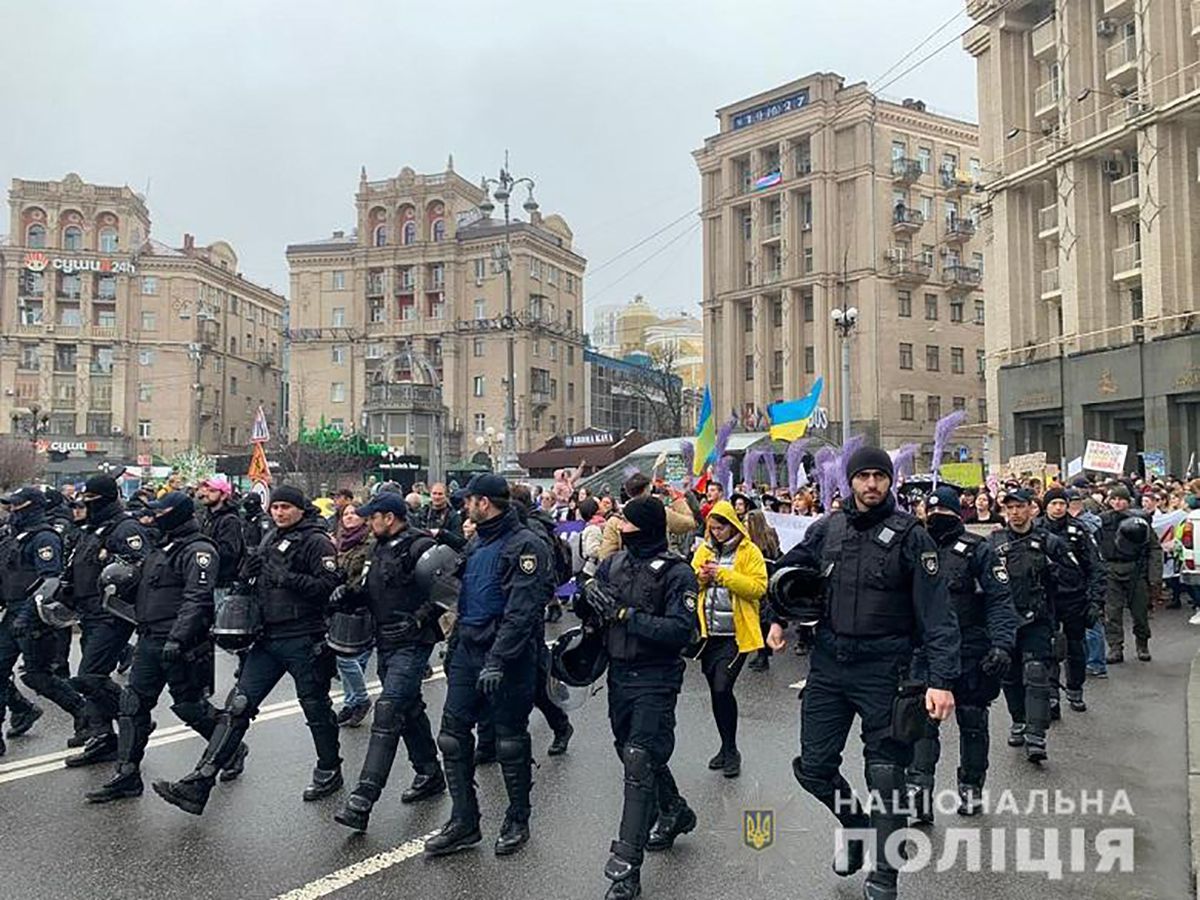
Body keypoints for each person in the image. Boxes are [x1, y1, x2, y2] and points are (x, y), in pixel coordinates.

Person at [770, 447, 959, 900]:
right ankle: (855, 826)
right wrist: (775, 616)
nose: (871, 484)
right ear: (850, 481)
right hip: (830, 666)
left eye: (879, 476)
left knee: (887, 776)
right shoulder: (828, 528)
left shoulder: (912, 535)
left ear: (889, 481)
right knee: (813, 768)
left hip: (887, 669)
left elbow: (937, 614)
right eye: (863, 476)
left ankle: (883, 877)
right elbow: (789, 571)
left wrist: (942, 680)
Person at [152, 485, 344, 815]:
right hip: (268, 637)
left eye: (286, 507)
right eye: (276, 507)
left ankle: (329, 769)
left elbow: (328, 587)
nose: (279, 512)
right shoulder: (270, 537)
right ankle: (200, 782)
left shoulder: (317, 540)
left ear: (300, 508)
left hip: (304, 637)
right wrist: (246, 576)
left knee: (315, 707)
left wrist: (289, 578)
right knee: (238, 706)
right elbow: (254, 584)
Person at [85, 492, 247, 802]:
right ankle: (127, 775)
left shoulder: (199, 550)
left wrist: (179, 637)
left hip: (181, 642)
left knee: (189, 706)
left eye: (161, 512)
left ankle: (231, 748)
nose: (154, 517)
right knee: (132, 704)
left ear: (180, 514)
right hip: (149, 637)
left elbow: (197, 599)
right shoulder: (161, 548)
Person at [425, 474, 553, 858]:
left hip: (507, 657)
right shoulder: (479, 538)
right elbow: (462, 591)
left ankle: (517, 818)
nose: (464, 507)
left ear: (484, 502)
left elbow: (522, 611)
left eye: (470, 501)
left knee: (510, 740)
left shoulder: (525, 545)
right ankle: (464, 821)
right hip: (467, 648)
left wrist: (498, 659)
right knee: (451, 735)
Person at [585, 495, 699, 900]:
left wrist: (625, 616)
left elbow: (680, 631)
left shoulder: (676, 573)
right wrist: (589, 602)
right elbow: (593, 604)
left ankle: (626, 870)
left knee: (638, 759)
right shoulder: (613, 564)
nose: (619, 525)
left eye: (626, 521)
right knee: (633, 753)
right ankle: (674, 810)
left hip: (656, 676)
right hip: (619, 675)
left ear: (645, 526)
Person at [332, 492, 447, 833]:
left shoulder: (420, 546)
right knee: (408, 709)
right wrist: (350, 595)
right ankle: (429, 773)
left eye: (373, 516)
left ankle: (363, 798)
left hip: (413, 643)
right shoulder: (378, 547)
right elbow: (374, 589)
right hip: (385, 641)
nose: (368, 521)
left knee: (389, 709)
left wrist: (419, 618)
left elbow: (446, 589)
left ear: (390, 517)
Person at [906, 486, 1019, 821]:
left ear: (958, 515)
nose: (936, 519)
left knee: (972, 721)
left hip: (970, 649)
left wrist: (1002, 645)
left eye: (944, 514)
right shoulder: (916, 548)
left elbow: (1000, 600)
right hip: (926, 650)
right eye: (932, 513)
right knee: (921, 724)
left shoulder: (978, 550)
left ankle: (971, 786)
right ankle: (919, 792)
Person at [62, 476, 152, 765]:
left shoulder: (125, 528)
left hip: (111, 614)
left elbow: (139, 567)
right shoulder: (92, 529)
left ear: (104, 499)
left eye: (90, 500)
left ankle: (134, 717)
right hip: (88, 613)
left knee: (89, 676)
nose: (85, 505)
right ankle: (104, 738)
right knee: (92, 677)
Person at [990, 489, 1080, 763]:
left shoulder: (1049, 542)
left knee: (1036, 673)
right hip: (1004, 620)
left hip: (1037, 619)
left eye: (1020, 507)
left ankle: (1035, 735)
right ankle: (1018, 721)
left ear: (1032, 509)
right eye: (1010, 508)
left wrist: (1055, 574)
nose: (1015, 513)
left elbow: (1074, 575)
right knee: (1009, 674)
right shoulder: (994, 542)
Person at [0, 487, 86, 756]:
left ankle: (83, 713)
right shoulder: (13, 537)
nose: (12, 510)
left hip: (33, 616)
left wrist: (28, 615)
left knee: (38, 676)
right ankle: (18, 715)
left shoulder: (45, 538)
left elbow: (50, 580)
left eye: (17, 505)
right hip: (11, 613)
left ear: (32, 506)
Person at [690, 501, 766, 778]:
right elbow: (690, 581)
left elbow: (758, 588)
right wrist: (701, 577)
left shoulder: (749, 551)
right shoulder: (704, 549)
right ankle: (725, 746)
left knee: (723, 688)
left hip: (736, 635)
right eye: (712, 528)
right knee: (715, 692)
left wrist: (722, 574)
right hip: (709, 635)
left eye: (720, 527)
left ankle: (732, 750)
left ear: (732, 525)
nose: (716, 533)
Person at [1039, 487, 1105, 714]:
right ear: (1045, 506)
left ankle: (1075, 690)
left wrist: (1095, 601)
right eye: (1054, 504)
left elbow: (1095, 567)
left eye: (1062, 504)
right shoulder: (1036, 530)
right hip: (1046, 599)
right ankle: (1051, 695)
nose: (1058, 508)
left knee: (1075, 647)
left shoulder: (1079, 530)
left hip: (1075, 598)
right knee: (1048, 648)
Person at [1097, 485, 1162, 663]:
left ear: (1128, 501)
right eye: (1114, 499)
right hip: (1111, 569)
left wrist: (1154, 577)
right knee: (1112, 612)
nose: (1117, 503)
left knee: (1140, 611)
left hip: (1135, 570)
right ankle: (1115, 647)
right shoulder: (1102, 520)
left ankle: (1142, 645)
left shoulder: (1140, 520)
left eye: (1121, 499)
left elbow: (1154, 548)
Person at [333, 503, 374, 727]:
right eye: (345, 514)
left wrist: (349, 590)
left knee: (347, 658)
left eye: (354, 513)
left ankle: (361, 699)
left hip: (361, 605)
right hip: (342, 606)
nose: (349, 517)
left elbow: (366, 575)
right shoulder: (342, 541)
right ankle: (350, 704)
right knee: (350, 660)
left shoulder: (369, 542)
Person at [598, 474, 695, 561]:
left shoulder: (615, 520)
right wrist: (675, 498)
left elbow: (606, 555)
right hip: (659, 568)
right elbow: (689, 523)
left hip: (627, 572)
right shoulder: (660, 513)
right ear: (647, 489)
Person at [744, 509, 781, 673]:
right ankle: (761, 654)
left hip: (763, 582)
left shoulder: (762, 541)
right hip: (761, 581)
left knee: (762, 621)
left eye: (747, 522)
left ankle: (763, 655)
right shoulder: (754, 539)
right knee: (759, 620)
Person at [197, 476, 246, 597]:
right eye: (206, 490)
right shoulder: (207, 517)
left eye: (212, 491)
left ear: (223, 495)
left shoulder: (230, 520)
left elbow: (228, 553)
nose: (206, 494)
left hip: (222, 584)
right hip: (207, 580)